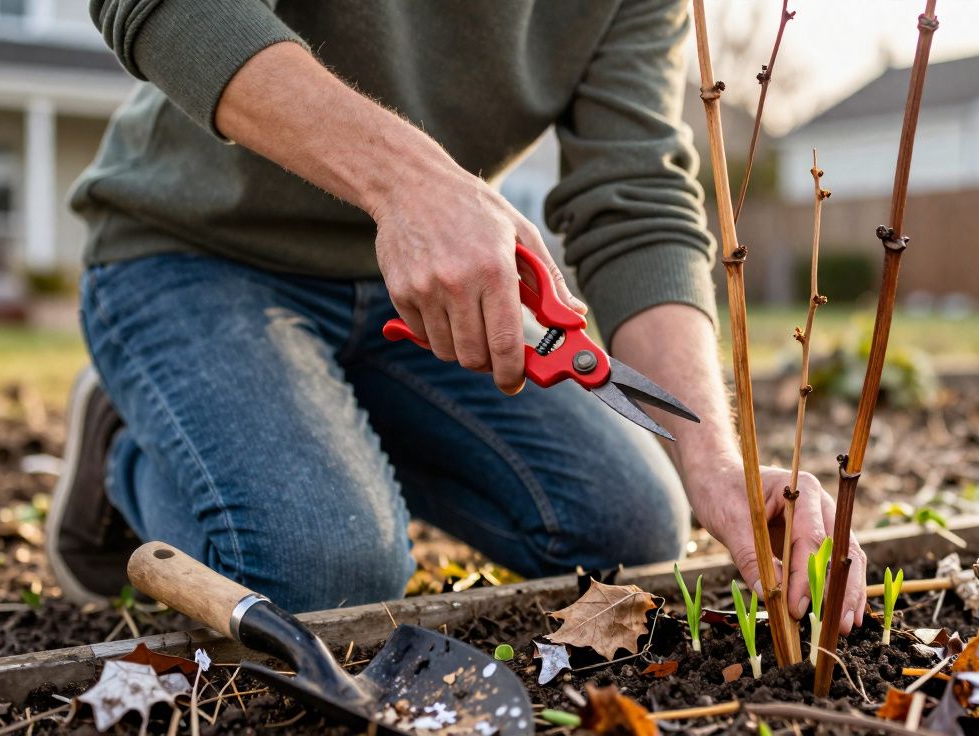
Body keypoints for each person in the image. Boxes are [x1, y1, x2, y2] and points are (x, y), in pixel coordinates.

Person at [49, 1, 867, 630]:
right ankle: (128, 449)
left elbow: (638, 201)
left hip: (429, 292)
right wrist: (409, 182)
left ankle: (309, 414)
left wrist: (715, 459)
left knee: (633, 534)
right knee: (322, 578)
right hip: (194, 252)